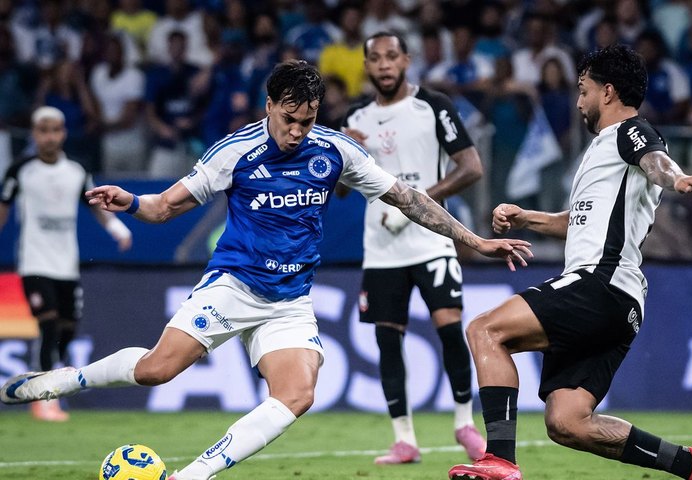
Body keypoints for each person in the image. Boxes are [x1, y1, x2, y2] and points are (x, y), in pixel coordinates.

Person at [0, 61, 531, 480]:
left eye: (309, 120)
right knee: (158, 369)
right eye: (289, 119)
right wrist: (132, 202)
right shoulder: (235, 152)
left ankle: (193, 475)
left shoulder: (335, 151)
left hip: (290, 300)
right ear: (269, 105)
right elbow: (166, 206)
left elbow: (408, 198)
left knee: (299, 394)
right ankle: (66, 381)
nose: (299, 132)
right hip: (232, 285)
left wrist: (472, 239)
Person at [448, 44, 692, 480]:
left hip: (600, 284)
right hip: (623, 302)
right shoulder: (602, 153)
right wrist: (526, 218)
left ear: (608, 91)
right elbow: (578, 222)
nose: (578, 101)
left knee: (485, 330)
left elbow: (657, 161)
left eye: (583, 90)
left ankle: (499, 460)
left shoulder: (629, 133)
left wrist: (679, 178)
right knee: (567, 422)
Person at [342, 31, 486, 465]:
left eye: (391, 56)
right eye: (376, 58)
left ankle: (465, 423)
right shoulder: (356, 118)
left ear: (406, 59)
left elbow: (471, 167)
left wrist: (416, 200)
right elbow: (341, 192)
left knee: (449, 329)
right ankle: (404, 439)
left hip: (432, 241)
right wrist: (346, 153)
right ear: (366, 66)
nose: (384, 65)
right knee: (388, 343)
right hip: (382, 248)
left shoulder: (435, 105)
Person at [0, 106, 132, 422]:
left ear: (63, 133)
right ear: (34, 133)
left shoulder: (76, 171)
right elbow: (3, 208)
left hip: (66, 265)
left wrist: (117, 228)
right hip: (34, 262)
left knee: (67, 330)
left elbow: (96, 206)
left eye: (55, 130)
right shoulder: (21, 170)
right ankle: (44, 399)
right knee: (48, 325)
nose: (49, 136)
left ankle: (48, 382)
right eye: (42, 130)